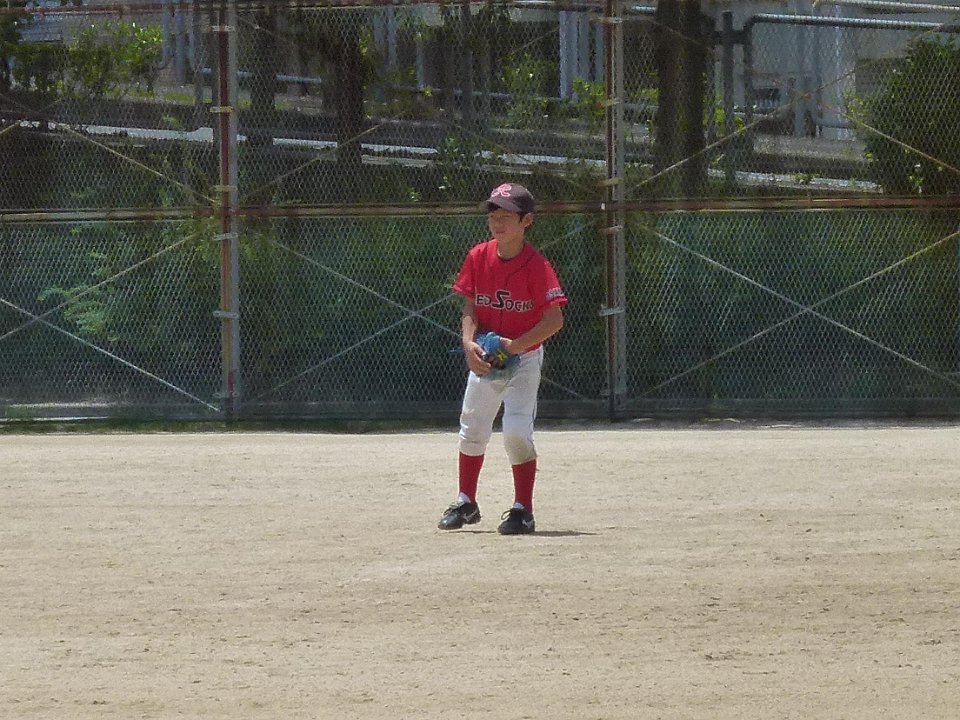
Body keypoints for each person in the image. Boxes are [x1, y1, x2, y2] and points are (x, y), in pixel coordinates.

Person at [438, 182, 567, 535]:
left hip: (523, 358)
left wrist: (515, 347)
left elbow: (554, 320)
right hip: (487, 354)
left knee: (516, 432)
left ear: (527, 221)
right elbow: (470, 305)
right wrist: (468, 343)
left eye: (507, 215)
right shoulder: (478, 256)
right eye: (493, 214)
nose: (497, 222)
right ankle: (466, 501)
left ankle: (523, 510)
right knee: (472, 426)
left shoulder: (537, 265)